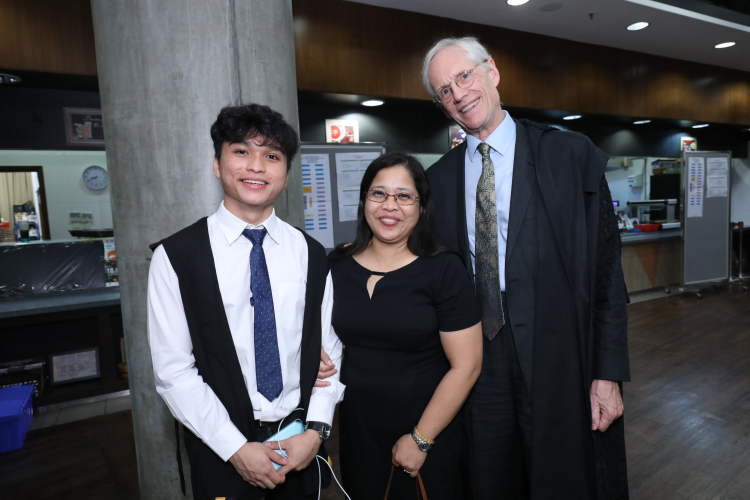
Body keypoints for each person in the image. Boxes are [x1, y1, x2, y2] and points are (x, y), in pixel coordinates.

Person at [422, 37, 631, 499]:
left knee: (564, 477)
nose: (458, 94)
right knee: (489, 478)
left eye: (464, 76)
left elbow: (606, 276)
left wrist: (608, 372)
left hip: (562, 358)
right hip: (479, 365)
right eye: (444, 91)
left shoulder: (570, 158)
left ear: (492, 72)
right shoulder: (438, 181)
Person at [147, 103, 345, 500]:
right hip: (220, 447)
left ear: (286, 173)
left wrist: (316, 431)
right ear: (217, 165)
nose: (257, 166)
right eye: (241, 151)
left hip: (299, 444)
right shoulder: (177, 256)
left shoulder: (310, 252)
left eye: (271, 156)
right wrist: (235, 449)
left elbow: (330, 352)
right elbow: (174, 371)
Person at [328, 153, 483, 499]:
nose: (390, 206)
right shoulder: (337, 265)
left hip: (426, 428)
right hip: (357, 431)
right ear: (365, 200)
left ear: (422, 206)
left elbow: (467, 366)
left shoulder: (443, 270)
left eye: (404, 196)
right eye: (378, 193)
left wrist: (421, 438)